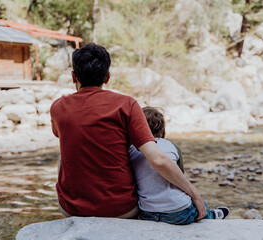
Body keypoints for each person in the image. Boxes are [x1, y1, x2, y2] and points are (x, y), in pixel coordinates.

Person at [50, 43, 209, 219]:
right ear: (107, 77)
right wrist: (195, 194)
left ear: (73, 77)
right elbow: (158, 160)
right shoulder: (126, 104)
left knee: (65, 150)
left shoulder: (58, 107)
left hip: (72, 208)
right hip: (121, 210)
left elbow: (61, 134)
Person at [129, 106, 230, 224]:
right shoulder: (171, 146)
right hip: (179, 212)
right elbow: (179, 176)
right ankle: (211, 215)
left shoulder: (131, 149)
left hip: (147, 212)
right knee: (196, 207)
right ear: (162, 130)